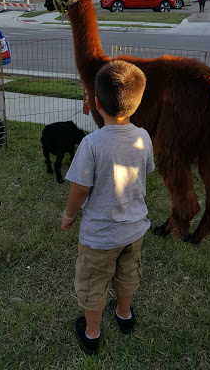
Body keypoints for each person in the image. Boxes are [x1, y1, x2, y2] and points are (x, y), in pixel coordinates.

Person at [62, 60, 155, 356]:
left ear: (97, 103)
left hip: (99, 237)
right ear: (136, 104)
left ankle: (92, 334)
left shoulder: (91, 144)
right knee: (128, 273)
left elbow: (80, 189)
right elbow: (147, 170)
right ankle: (124, 316)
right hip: (134, 230)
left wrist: (69, 215)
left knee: (93, 283)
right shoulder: (144, 137)